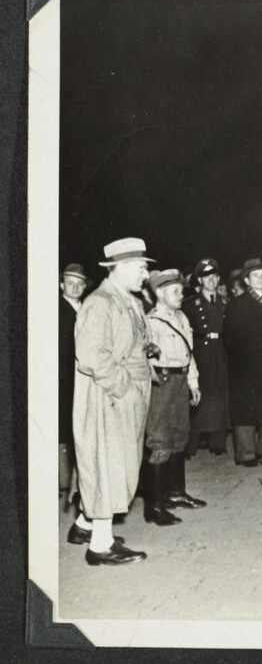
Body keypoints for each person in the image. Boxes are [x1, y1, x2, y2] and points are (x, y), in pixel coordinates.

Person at [70, 237, 154, 565]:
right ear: (117, 268)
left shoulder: (128, 300)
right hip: (108, 397)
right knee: (105, 465)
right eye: (140, 267)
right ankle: (100, 547)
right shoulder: (100, 302)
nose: (144, 274)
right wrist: (126, 388)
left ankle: (84, 526)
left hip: (123, 397)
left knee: (116, 465)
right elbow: (91, 355)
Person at [142, 269, 205, 526]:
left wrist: (193, 381)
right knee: (160, 441)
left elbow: (188, 353)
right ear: (159, 293)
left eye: (180, 290)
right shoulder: (151, 322)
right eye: (175, 291)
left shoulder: (181, 317)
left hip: (180, 380)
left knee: (180, 436)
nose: (181, 295)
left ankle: (176, 493)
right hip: (162, 383)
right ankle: (154, 507)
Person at [223, 258, 262, 467]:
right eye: (255, 276)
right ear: (247, 281)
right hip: (246, 366)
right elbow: (231, 339)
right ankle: (246, 454)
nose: (261, 279)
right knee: (246, 410)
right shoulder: (237, 305)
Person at [183, 258, 230, 457]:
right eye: (206, 277)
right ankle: (190, 444)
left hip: (221, 351)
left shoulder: (225, 303)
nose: (211, 280)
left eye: (214, 276)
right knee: (198, 396)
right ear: (199, 281)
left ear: (218, 279)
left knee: (220, 394)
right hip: (200, 353)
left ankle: (217, 442)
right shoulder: (190, 304)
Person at [59, 263, 89, 494]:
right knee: (66, 425)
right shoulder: (59, 310)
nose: (75, 287)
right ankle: (64, 480)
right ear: (62, 285)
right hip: (66, 375)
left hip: (83, 374)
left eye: (79, 283)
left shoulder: (86, 308)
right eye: (70, 283)